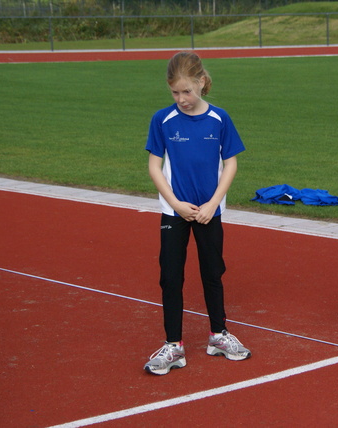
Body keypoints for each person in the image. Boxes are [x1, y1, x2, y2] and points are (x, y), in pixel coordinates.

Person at [144, 51, 251, 375]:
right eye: (175, 92)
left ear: (202, 83)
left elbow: (231, 163)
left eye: (187, 91)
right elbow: (154, 166)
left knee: (212, 272)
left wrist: (213, 203)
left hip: (209, 211)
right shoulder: (162, 120)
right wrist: (175, 204)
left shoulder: (220, 119)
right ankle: (173, 345)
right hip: (175, 211)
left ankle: (218, 335)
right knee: (171, 276)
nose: (181, 99)